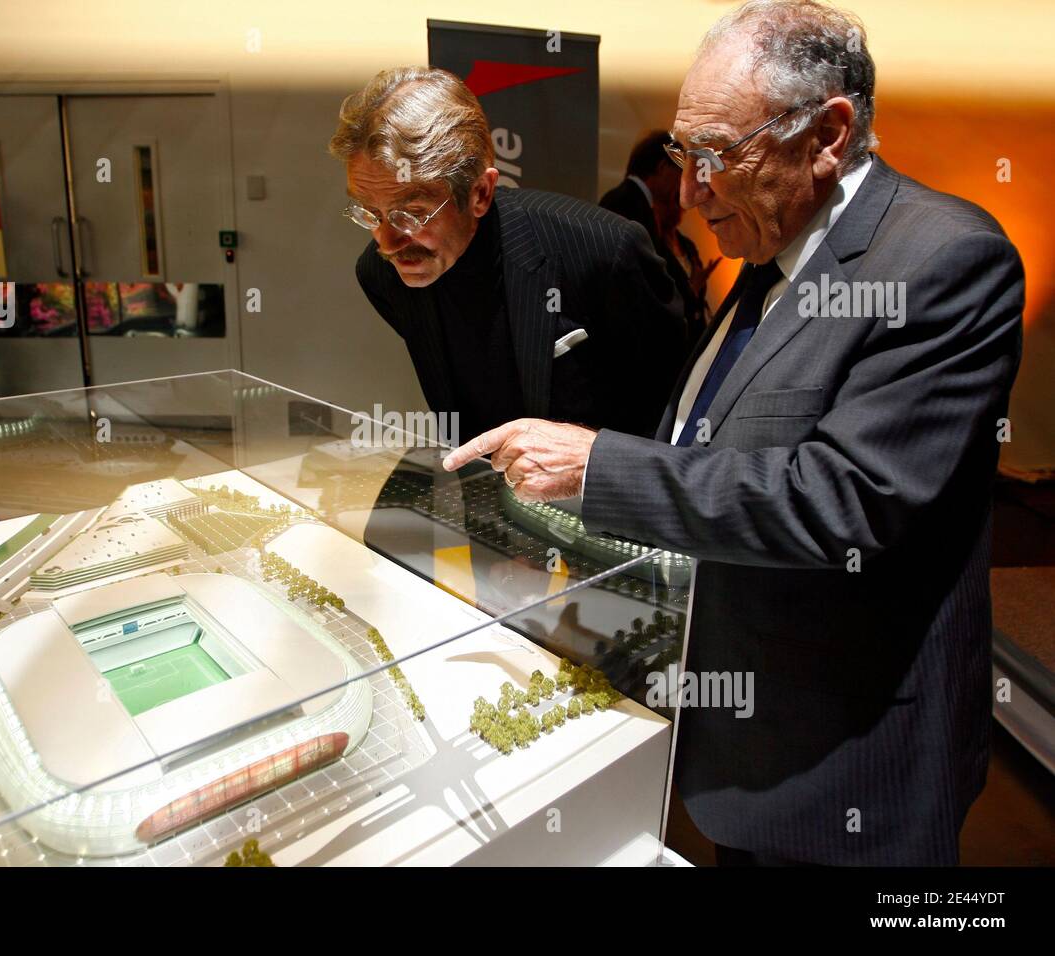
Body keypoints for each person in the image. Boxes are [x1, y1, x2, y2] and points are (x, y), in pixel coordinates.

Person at [442, 0, 1024, 866]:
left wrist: (597, 467)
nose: (689, 189)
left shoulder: (942, 260)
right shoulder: (763, 258)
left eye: (718, 155)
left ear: (828, 133)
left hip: (848, 768)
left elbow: (841, 503)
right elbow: (707, 449)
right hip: (739, 745)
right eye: (683, 152)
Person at [329, 66, 688, 444]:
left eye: (413, 213)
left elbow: (676, 413)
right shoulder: (380, 274)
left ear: (480, 193)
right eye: (370, 212)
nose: (387, 241)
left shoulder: (606, 251)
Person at [601, 131, 721, 340]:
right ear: (663, 168)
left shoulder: (632, 203)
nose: (684, 189)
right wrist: (688, 289)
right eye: (681, 172)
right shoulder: (627, 204)